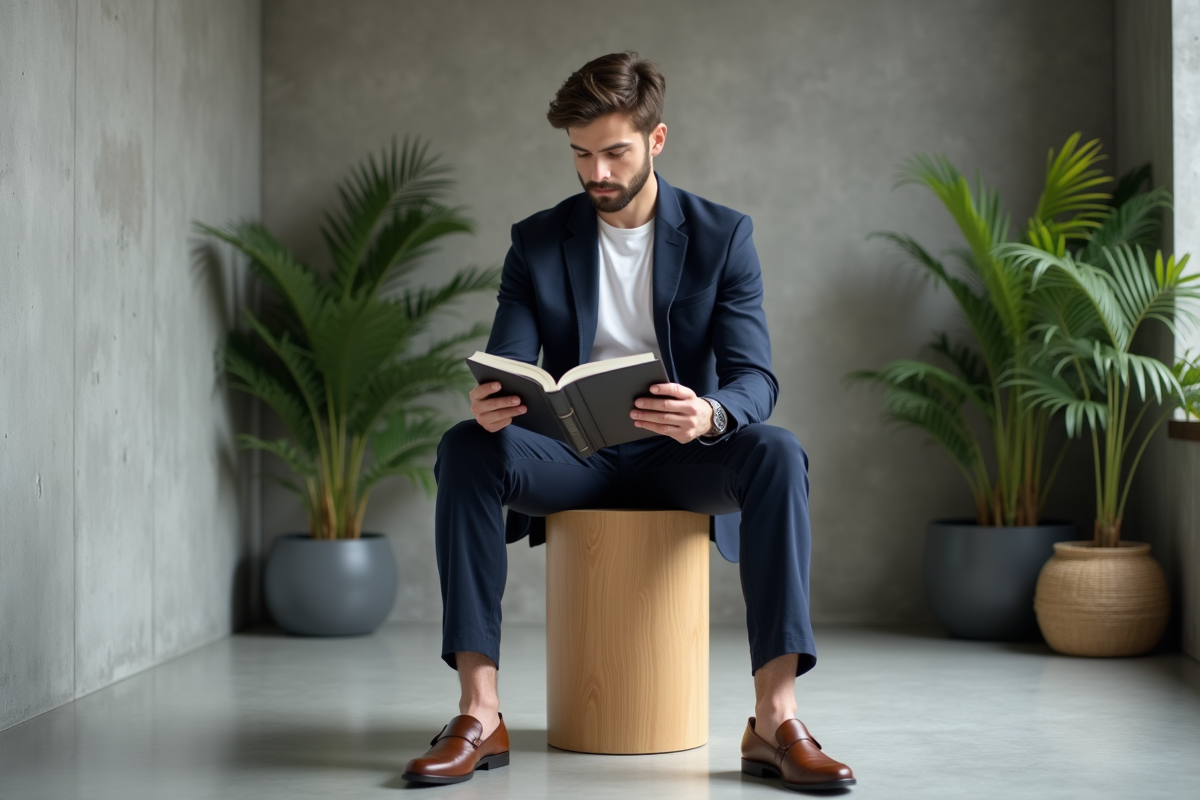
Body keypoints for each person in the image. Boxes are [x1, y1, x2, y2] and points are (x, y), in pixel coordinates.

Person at [401, 52, 855, 793]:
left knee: (777, 452)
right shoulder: (537, 241)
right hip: (571, 458)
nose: (598, 172)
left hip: (680, 456)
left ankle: (776, 720)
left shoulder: (722, 236)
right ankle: (479, 713)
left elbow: (756, 379)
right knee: (465, 446)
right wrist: (493, 401)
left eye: (614, 152)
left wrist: (710, 412)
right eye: (581, 154)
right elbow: (510, 363)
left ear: (657, 139)